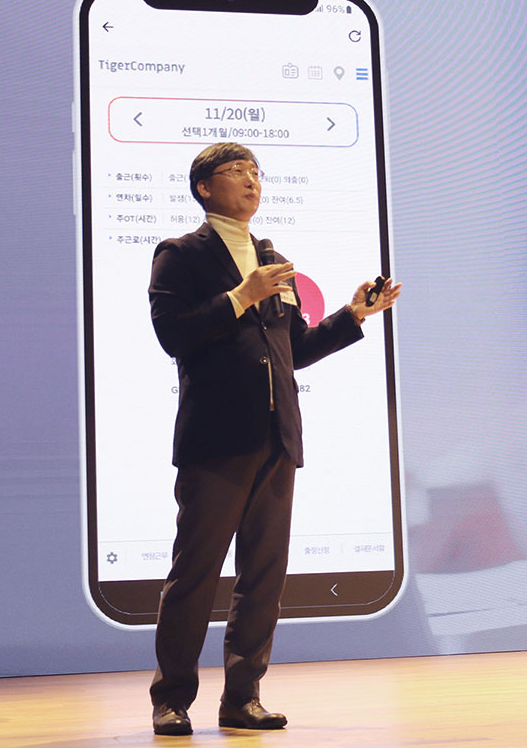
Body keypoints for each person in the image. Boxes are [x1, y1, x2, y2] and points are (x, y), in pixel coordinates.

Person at [146, 142, 400, 735]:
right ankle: (171, 698)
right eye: (236, 171)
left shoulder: (273, 259)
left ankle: (243, 698)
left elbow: (294, 351)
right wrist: (242, 296)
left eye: (256, 172)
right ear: (204, 187)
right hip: (216, 440)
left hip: (276, 437)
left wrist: (353, 316)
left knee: (263, 576)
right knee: (195, 574)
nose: (251, 181)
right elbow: (173, 335)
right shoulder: (180, 254)